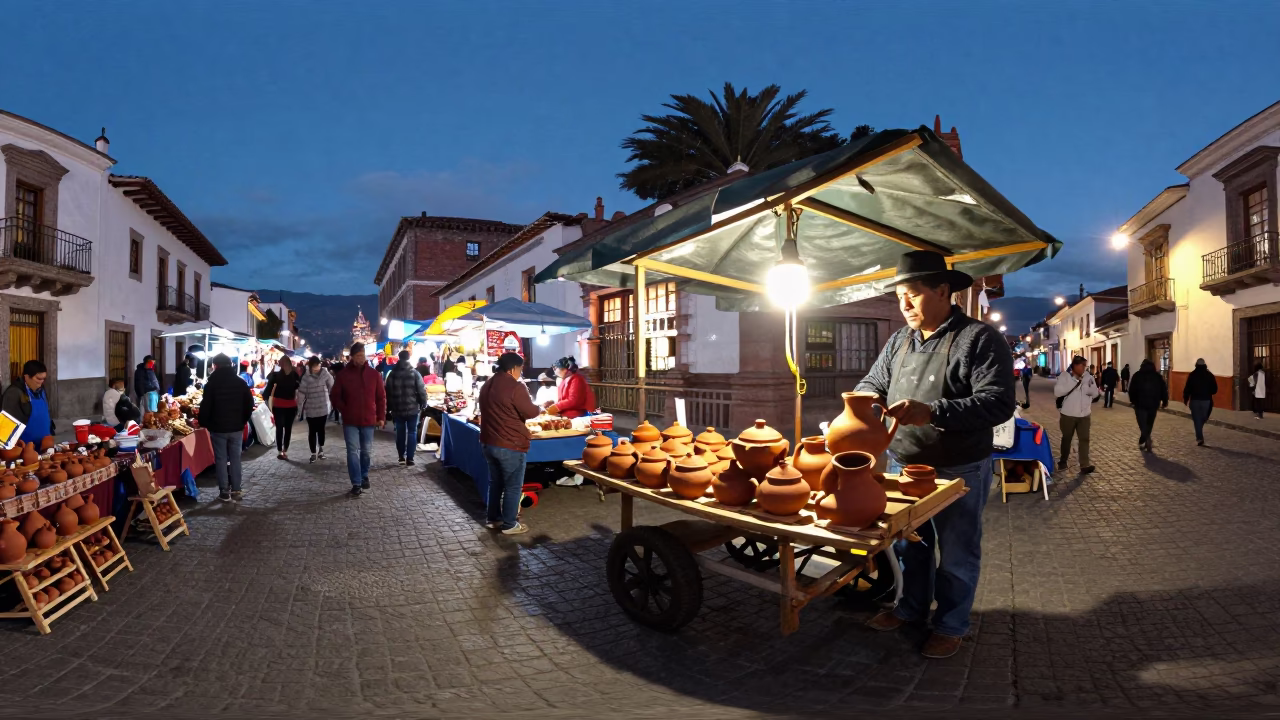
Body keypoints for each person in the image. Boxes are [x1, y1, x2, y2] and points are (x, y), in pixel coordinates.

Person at [853, 250, 1015, 659]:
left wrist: (935, 411)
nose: (904, 305)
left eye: (913, 294)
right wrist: (868, 399)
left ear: (943, 291)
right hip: (905, 464)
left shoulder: (979, 338)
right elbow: (874, 379)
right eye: (899, 297)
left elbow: (997, 403)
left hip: (958, 469)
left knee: (957, 551)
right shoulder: (899, 339)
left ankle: (951, 624)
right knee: (910, 546)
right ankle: (909, 609)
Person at [479, 352, 540, 535]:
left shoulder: (487, 384)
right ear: (514, 368)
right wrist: (540, 407)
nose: (520, 373)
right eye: (520, 369)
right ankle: (509, 524)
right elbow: (530, 412)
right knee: (513, 485)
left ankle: (493, 519)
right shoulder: (515, 386)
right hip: (510, 443)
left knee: (495, 482)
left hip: (489, 442)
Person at [330, 342, 386, 497]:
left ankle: (364, 474)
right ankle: (356, 482)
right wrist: (344, 408)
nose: (361, 359)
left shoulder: (374, 375)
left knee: (366, 451)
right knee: (352, 451)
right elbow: (335, 396)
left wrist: (381, 417)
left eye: (362, 355)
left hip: (369, 419)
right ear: (352, 357)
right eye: (358, 356)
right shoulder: (343, 375)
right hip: (350, 420)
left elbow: (381, 398)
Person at [199, 354, 255, 501]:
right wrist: (243, 419)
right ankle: (236, 489)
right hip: (236, 427)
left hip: (218, 428)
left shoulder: (211, 384)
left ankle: (224, 491)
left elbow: (206, 406)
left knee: (221, 459)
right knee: (236, 458)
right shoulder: (240, 382)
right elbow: (249, 404)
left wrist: (205, 422)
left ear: (215, 365)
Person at [1054, 355, 1098, 474]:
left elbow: (1095, 393)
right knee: (1067, 438)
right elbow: (1057, 392)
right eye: (1082, 365)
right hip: (1068, 414)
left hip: (1084, 414)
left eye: (1085, 365)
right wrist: (1075, 381)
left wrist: (1089, 390)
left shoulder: (1088, 377)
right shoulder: (1065, 376)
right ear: (1075, 365)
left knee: (1084, 439)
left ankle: (1084, 464)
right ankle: (1063, 461)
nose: (1084, 368)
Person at [385, 350, 427, 466]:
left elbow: (387, 392)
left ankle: (401, 457)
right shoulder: (414, 373)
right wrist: (424, 403)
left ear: (399, 358)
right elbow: (421, 390)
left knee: (400, 432)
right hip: (413, 408)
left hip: (397, 409)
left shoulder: (392, 374)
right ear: (409, 358)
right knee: (412, 432)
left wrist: (388, 408)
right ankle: (410, 458)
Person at [2, 360, 54, 443]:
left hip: (44, 446)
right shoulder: (14, 393)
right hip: (24, 447)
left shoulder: (42, 390)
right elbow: (6, 424)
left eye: (43, 379)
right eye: (38, 379)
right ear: (26, 377)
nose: (41, 382)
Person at [262, 357, 301, 460]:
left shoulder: (275, 376)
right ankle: (285, 450)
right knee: (288, 429)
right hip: (291, 406)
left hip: (278, 406)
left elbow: (266, 391)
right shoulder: (295, 376)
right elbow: (298, 388)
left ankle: (280, 451)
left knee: (279, 429)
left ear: (280, 364)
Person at [297, 356, 334, 463]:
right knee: (312, 431)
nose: (316, 368)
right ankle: (313, 453)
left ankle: (321, 450)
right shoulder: (306, 377)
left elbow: (332, 387)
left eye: (318, 365)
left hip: (323, 408)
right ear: (310, 366)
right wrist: (300, 408)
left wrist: (333, 399)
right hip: (311, 409)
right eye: (314, 366)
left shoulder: (325, 374)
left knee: (321, 429)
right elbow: (301, 393)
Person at [1127, 359, 1168, 452]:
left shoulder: (1137, 375)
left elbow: (1132, 389)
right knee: (1149, 423)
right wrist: (1164, 401)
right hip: (1153, 404)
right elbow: (1163, 389)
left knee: (1142, 423)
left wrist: (1132, 400)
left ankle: (1145, 438)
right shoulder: (1157, 376)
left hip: (1140, 404)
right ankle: (1146, 439)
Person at [1183, 358, 1218, 446]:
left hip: (1194, 400)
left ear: (1196, 365)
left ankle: (1199, 437)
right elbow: (1214, 389)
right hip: (1206, 400)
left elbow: (1187, 388)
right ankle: (1199, 436)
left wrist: (1186, 398)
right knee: (1203, 418)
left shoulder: (1192, 375)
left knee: (1197, 420)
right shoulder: (1209, 375)